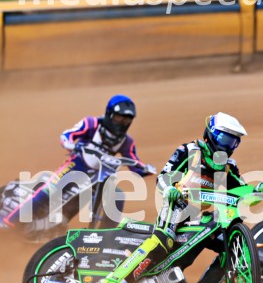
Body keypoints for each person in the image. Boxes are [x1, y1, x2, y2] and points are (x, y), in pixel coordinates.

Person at [94, 112, 263, 283]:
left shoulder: (227, 167)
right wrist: (169, 189)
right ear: (212, 134)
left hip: (197, 217)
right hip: (176, 207)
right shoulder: (189, 151)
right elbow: (164, 176)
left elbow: (240, 192)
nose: (228, 146)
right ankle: (114, 281)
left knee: (230, 248)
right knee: (162, 241)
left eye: (234, 142)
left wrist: (258, 191)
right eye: (226, 139)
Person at [2, 95, 155, 228]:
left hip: (99, 176)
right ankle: (10, 222)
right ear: (109, 114)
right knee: (48, 191)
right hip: (76, 166)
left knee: (117, 195)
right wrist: (69, 144)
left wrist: (146, 169)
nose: (122, 123)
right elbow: (68, 134)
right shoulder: (92, 124)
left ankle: (106, 236)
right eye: (119, 118)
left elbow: (134, 162)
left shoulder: (127, 141)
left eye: (126, 119)